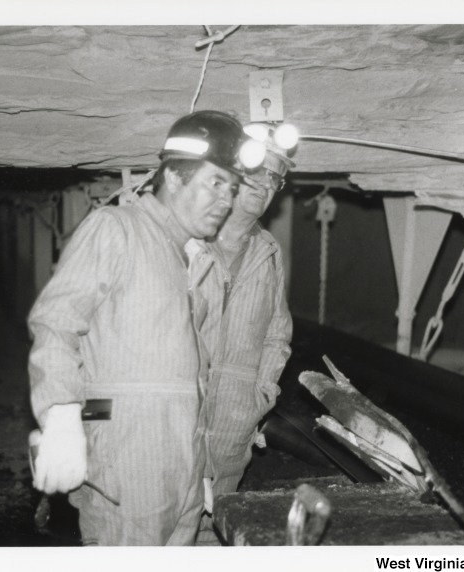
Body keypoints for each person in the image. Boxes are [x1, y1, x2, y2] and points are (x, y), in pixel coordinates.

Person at [26, 110, 248, 546]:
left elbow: (190, 379)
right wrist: (62, 416)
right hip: (129, 465)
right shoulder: (117, 229)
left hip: (182, 472)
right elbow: (55, 322)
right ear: (175, 178)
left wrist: (198, 468)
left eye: (234, 189)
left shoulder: (192, 258)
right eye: (216, 183)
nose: (227, 200)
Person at [197, 125, 295, 506]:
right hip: (177, 414)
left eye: (274, 177)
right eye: (256, 170)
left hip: (232, 424)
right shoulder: (190, 238)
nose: (265, 183)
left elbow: (277, 335)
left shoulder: (268, 252)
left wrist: (260, 395)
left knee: (214, 525)